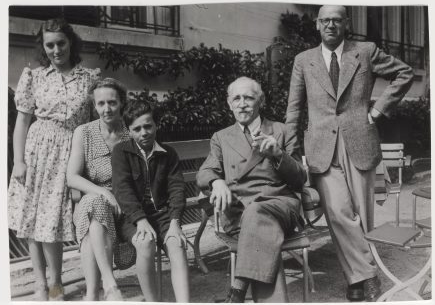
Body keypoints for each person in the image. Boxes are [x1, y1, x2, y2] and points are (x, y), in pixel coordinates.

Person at [285, 5, 414, 302]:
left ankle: (355, 280)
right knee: (339, 214)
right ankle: (369, 276)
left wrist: (377, 110)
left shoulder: (365, 51)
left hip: (359, 141)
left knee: (362, 215)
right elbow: (294, 108)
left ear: (346, 24)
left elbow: (404, 74)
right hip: (321, 147)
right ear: (317, 25)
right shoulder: (303, 61)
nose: (330, 25)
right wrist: (291, 150)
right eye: (325, 20)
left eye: (336, 20)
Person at [8, 18, 101, 301]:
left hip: (69, 154)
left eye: (61, 43)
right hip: (35, 153)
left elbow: (96, 123)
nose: (56, 50)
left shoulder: (89, 78)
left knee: (52, 222)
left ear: (71, 42)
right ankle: (39, 283)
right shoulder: (34, 77)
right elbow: (22, 122)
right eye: (50, 45)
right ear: (43, 47)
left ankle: (57, 281)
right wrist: (18, 161)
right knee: (30, 220)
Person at [197, 77, 307, 302]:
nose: (242, 103)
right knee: (261, 227)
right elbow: (204, 172)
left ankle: (237, 290)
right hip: (240, 213)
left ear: (261, 100)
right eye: (236, 98)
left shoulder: (281, 131)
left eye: (248, 97)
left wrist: (279, 155)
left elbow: (299, 180)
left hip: (280, 205)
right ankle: (239, 293)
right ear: (229, 104)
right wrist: (216, 182)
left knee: (258, 215)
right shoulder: (221, 137)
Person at [112, 100, 190, 302]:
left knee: (176, 243)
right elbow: (123, 190)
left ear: (156, 125)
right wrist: (140, 220)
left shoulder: (168, 153)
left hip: (163, 215)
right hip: (132, 218)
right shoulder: (121, 152)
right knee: (145, 242)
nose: (144, 132)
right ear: (129, 131)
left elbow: (177, 188)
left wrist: (175, 222)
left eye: (148, 126)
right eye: (137, 129)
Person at [66, 78, 130, 301]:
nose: (106, 109)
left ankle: (92, 294)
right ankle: (110, 284)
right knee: (95, 204)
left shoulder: (131, 132)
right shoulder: (83, 133)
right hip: (94, 200)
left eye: (112, 102)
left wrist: (120, 197)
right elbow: (72, 177)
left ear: (122, 102)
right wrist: (104, 192)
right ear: (94, 106)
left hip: (127, 205)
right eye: (100, 104)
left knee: (92, 224)